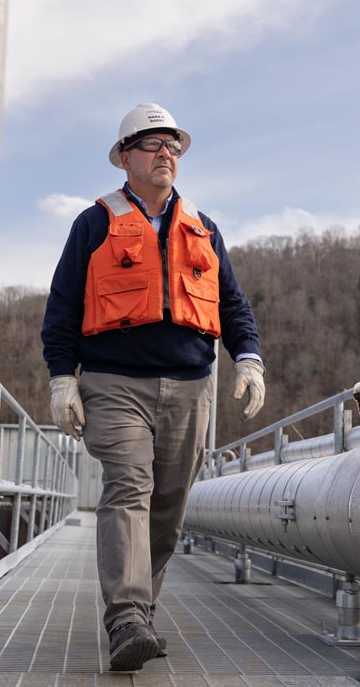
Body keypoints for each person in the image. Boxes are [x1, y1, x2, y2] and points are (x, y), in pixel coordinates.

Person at [40, 103, 265, 671]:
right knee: (129, 488)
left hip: (192, 386)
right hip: (115, 383)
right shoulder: (94, 224)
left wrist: (249, 360)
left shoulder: (204, 228)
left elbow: (232, 303)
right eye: (152, 145)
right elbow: (63, 306)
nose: (166, 154)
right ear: (124, 157)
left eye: (174, 146)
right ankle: (125, 617)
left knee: (168, 505)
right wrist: (63, 379)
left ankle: (141, 613)